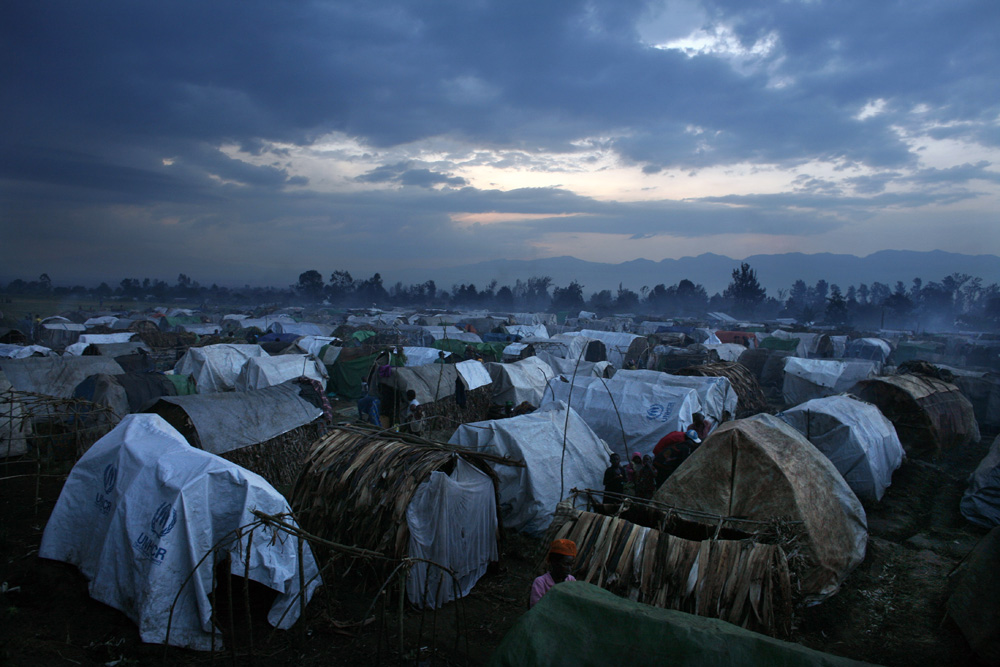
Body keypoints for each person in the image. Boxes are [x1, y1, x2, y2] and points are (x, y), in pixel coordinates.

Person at [529, 539, 577, 608]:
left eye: (571, 565)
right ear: (554, 562)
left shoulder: (571, 580)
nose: (569, 569)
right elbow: (536, 609)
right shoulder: (541, 582)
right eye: (566, 564)